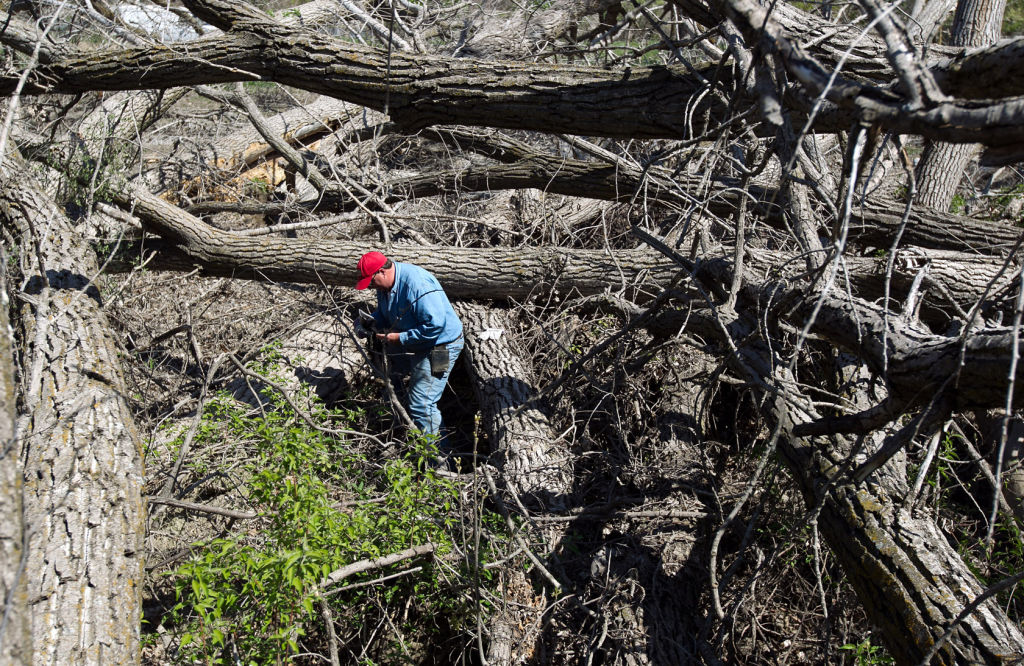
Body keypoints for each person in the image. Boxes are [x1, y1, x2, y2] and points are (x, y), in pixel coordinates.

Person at [354, 251, 464, 454]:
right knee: (392, 380)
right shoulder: (386, 285)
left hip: (440, 345)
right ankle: (401, 429)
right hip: (415, 342)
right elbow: (385, 312)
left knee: (422, 404)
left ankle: (439, 461)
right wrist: (368, 322)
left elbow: (435, 325)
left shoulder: (416, 284)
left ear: (382, 272)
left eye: (371, 281)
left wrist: (400, 338)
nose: (371, 286)